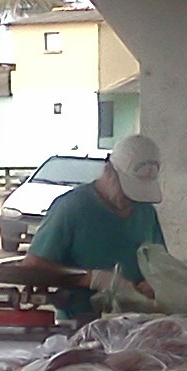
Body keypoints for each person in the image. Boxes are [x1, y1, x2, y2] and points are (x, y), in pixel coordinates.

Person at [13, 133, 167, 319]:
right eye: (128, 191)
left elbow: (160, 262)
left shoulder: (145, 212)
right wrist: (93, 278)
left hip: (134, 323)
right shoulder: (72, 208)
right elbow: (33, 266)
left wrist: (152, 282)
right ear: (109, 172)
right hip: (79, 325)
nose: (132, 200)